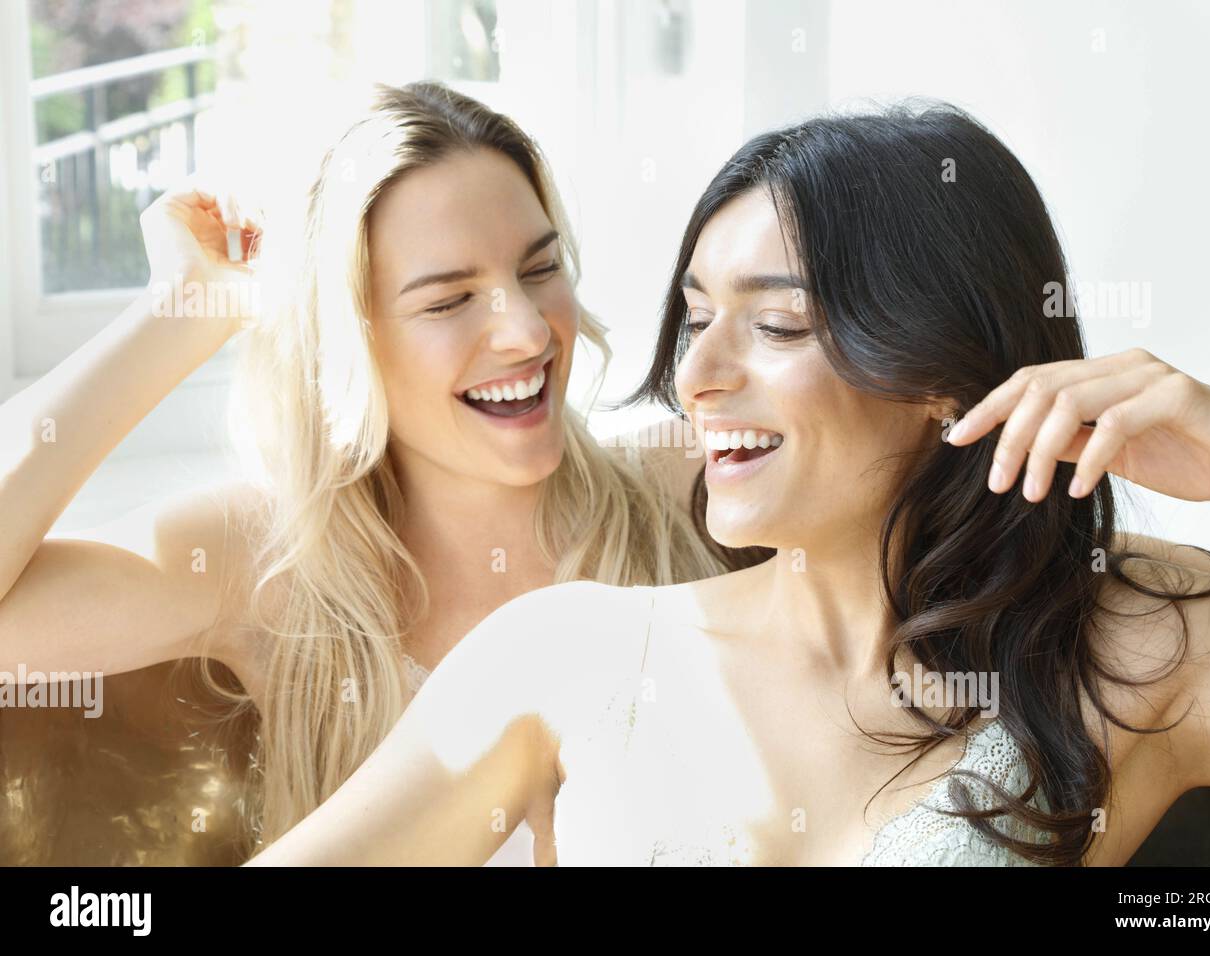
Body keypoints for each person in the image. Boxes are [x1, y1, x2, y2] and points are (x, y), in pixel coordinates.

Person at [245, 102, 1210, 866]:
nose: (697, 377)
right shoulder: (568, 653)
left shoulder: (1130, 636)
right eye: (696, 317)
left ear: (940, 374)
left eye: (778, 324)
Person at [0, 81, 759, 866]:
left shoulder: (686, 482)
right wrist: (180, 311)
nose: (528, 331)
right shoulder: (267, 563)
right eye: (448, 300)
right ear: (346, 340)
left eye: (539, 269)